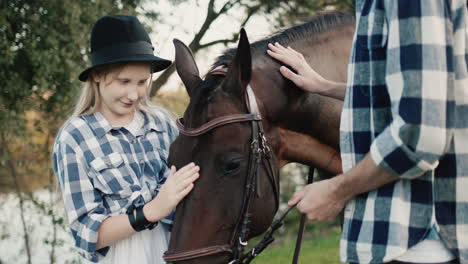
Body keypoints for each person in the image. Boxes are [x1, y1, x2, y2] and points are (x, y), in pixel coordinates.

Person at [267, 1, 467, 264]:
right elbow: (403, 91)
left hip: (418, 242)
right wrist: (323, 85)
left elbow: (420, 132)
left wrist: (336, 191)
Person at [52, 15, 199, 263]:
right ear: (98, 75)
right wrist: (151, 211)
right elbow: (87, 233)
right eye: (124, 81)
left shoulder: (162, 124)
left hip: (176, 249)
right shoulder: (75, 137)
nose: (134, 93)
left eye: (142, 82)